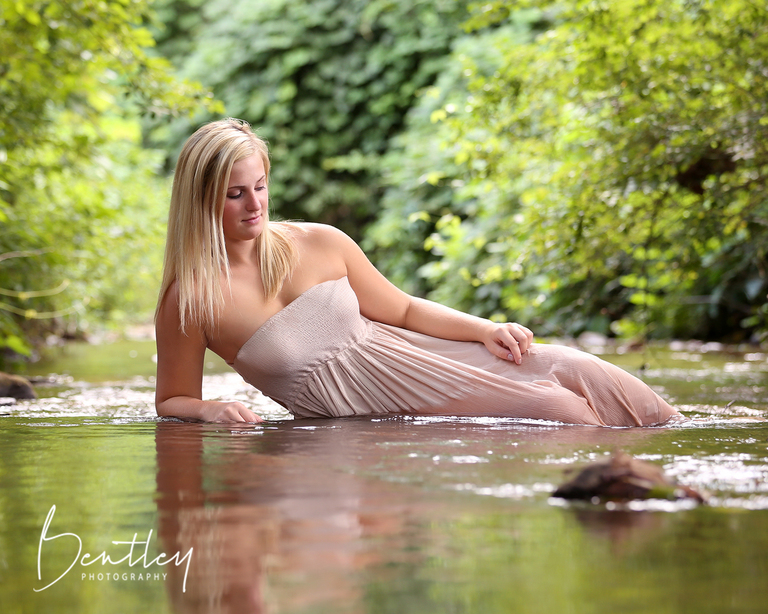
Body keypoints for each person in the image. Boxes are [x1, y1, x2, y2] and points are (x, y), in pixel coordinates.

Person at [154, 118, 682, 427]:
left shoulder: (319, 242)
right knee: (559, 411)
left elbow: (403, 309)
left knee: (576, 368)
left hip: (419, 356)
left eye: (261, 186)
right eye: (235, 193)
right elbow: (169, 400)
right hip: (368, 409)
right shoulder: (192, 300)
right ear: (200, 199)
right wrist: (210, 410)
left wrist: (485, 329)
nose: (255, 205)